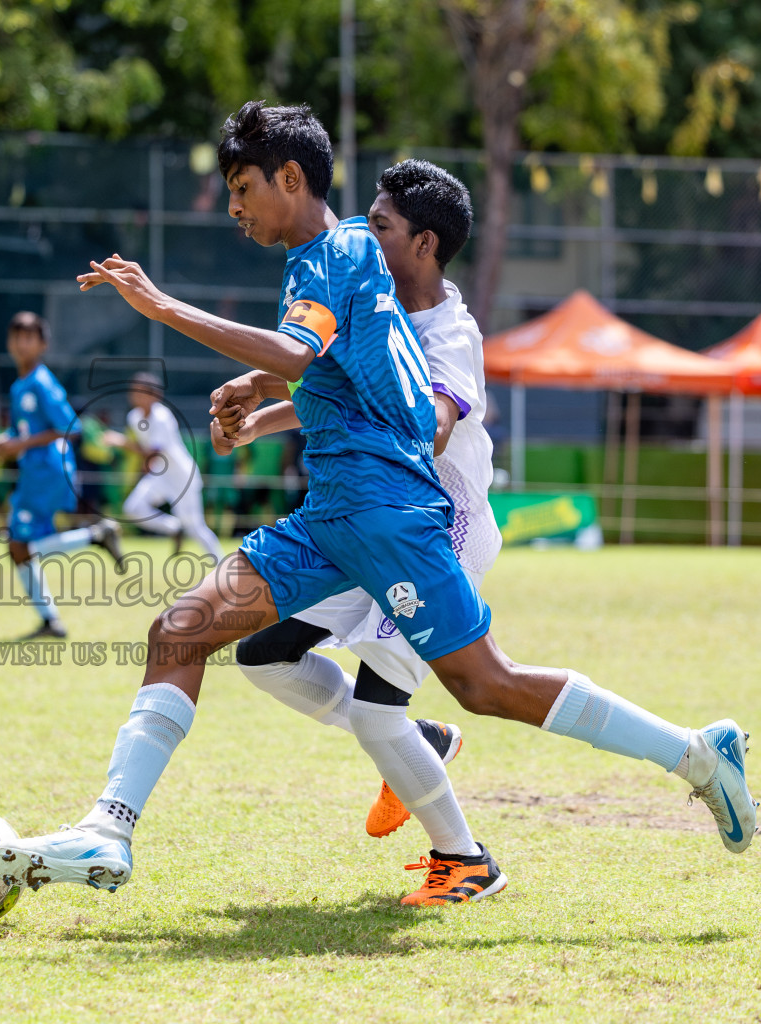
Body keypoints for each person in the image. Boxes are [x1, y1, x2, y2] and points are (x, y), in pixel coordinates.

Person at [0, 102, 756, 908]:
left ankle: (693, 757)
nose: (235, 207)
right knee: (184, 630)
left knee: (481, 686)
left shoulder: (358, 268)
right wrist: (273, 395)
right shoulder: (343, 252)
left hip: (402, 520)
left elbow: (345, 373)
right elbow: (333, 364)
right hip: (333, 518)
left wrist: (167, 309)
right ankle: (109, 827)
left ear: (290, 179)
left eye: (242, 188)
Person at [229, 159, 499, 842]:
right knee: (264, 654)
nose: (361, 236)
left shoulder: (450, 332)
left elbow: (423, 427)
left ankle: (465, 856)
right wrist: (265, 411)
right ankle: (423, 743)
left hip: (437, 529)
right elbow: (352, 390)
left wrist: (278, 384)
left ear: (424, 243)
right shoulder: (378, 303)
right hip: (368, 524)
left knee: (388, 711)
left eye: (378, 226)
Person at [0, 311, 126, 640]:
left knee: (23, 547)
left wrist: (21, 444)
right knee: (19, 548)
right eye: (16, 336)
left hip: (48, 470)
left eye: (29, 336)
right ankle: (51, 621)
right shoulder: (21, 385)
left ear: (43, 344)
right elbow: (18, 434)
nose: (21, 343)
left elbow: (67, 428)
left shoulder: (41, 383)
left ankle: (96, 535)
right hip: (36, 470)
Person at [105, 373, 223, 558]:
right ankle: (175, 527)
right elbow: (147, 450)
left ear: (154, 395)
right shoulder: (134, 417)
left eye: (141, 391)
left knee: (196, 527)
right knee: (133, 508)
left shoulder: (161, 416)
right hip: (161, 474)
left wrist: (122, 442)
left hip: (182, 476)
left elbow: (154, 451)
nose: (135, 395)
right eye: (134, 390)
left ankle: (221, 563)